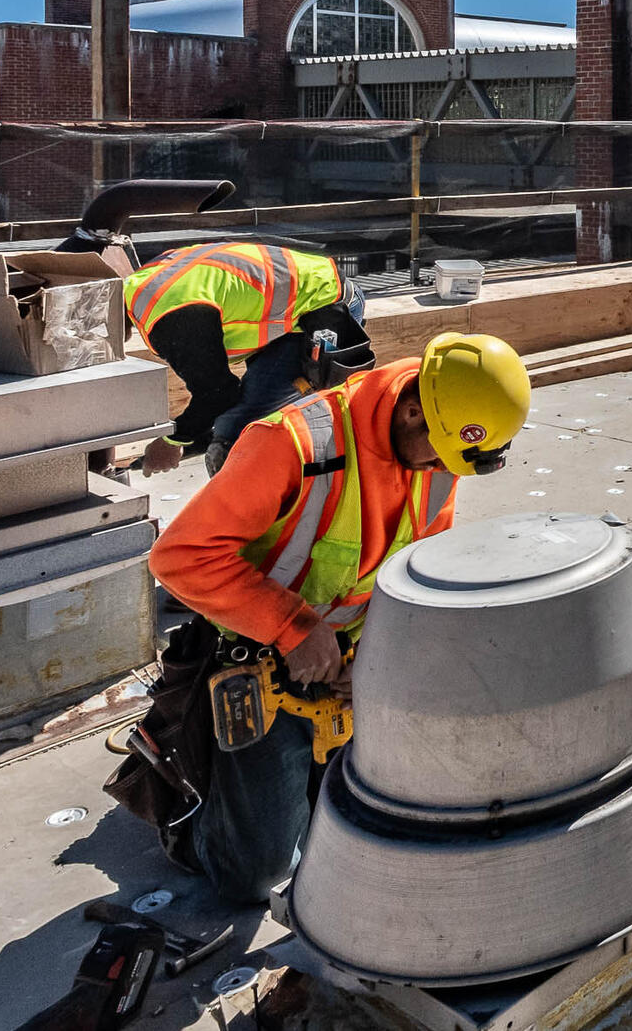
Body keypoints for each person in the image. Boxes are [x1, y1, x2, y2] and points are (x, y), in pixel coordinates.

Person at [142, 331, 530, 902]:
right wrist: (294, 627)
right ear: (413, 411)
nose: (440, 472)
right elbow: (178, 557)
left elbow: (417, 569)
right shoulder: (291, 443)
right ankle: (188, 816)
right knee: (256, 876)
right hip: (260, 659)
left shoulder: (441, 456)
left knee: (369, 824)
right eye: (439, 455)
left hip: (348, 656)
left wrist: (379, 654)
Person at [125, 241, 368, 473]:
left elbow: (219, 394)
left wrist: (173, 441)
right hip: (293, 307)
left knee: (234, 433)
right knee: (245, 416)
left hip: (324, 309)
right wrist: (191, 435)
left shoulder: (170, 317)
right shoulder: (139, 286)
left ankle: (252, 510)